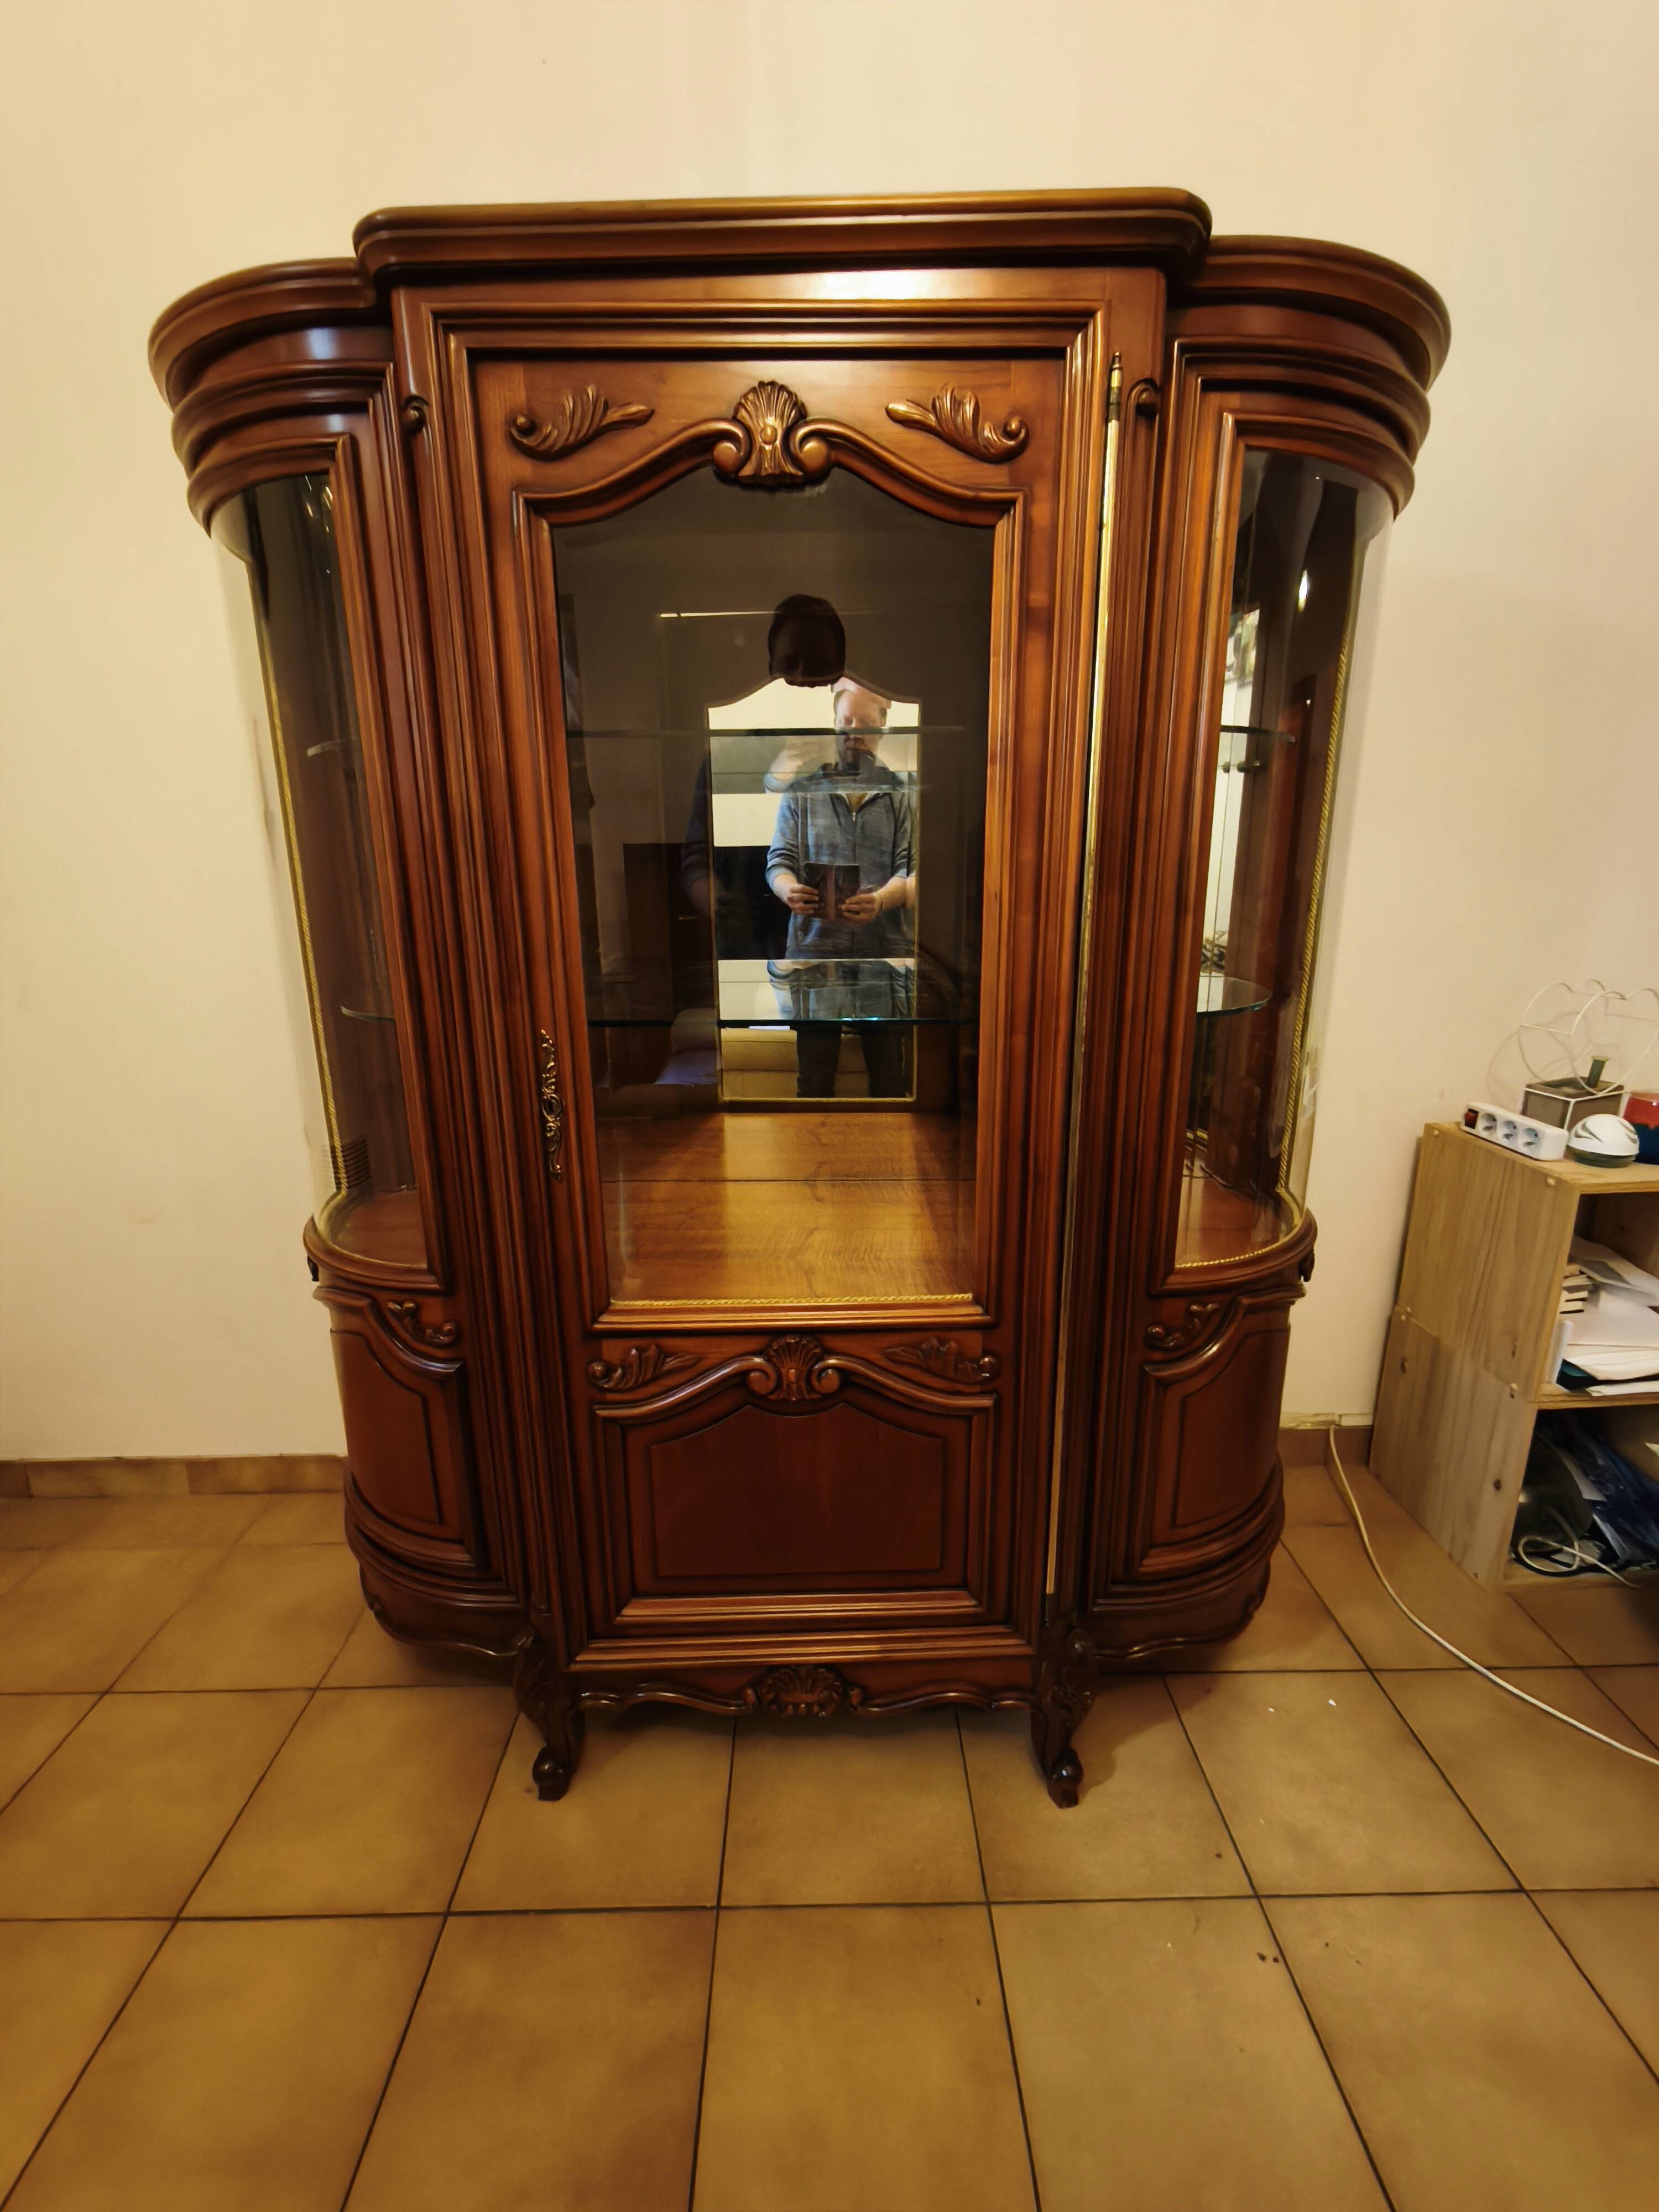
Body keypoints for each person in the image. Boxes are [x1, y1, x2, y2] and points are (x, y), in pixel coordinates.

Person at [765, 677, 916, 1098]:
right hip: (813, 959)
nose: (854, 734)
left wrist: (884, 900)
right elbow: (779, 862)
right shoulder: (802, 790)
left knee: (890, 1084)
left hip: (883, 957)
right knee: (813, 1084)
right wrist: (788, 890)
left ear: (883, 728)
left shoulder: (901, 794)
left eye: (865, 724)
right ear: (833, 723)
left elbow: (915, 869)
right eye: (846, 722)